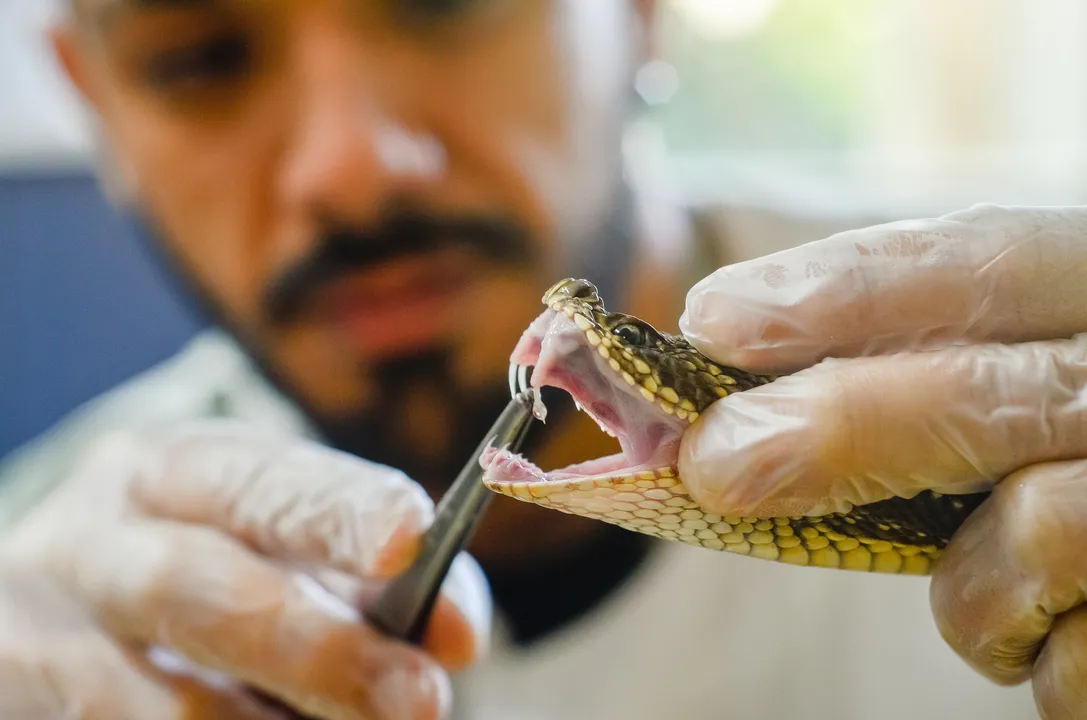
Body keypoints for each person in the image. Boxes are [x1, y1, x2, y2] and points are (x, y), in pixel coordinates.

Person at [0, 0, 1078, 716]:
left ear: (642, 14)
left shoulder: (1038, 373)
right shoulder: (37, 583)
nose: (354, 167)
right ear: (94, 104)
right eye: (199, 58)